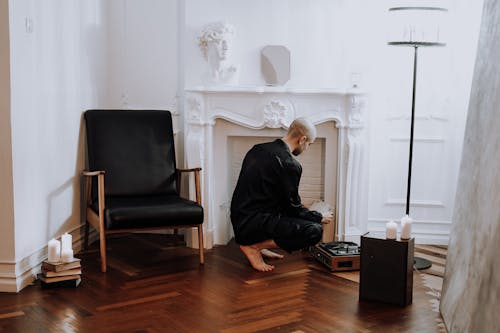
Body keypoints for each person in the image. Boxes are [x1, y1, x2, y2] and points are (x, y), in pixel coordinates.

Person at [230, 118, 330, 272]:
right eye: (309, 144)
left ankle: (257, 243)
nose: (307, 148)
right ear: (302, 139)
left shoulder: (257, 149)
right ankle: (253, 246)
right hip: (253, 223)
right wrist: (318, 216)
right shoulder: (289, 164)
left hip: (239, 219)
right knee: (314, 230)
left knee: (296, 216)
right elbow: (293, 209)